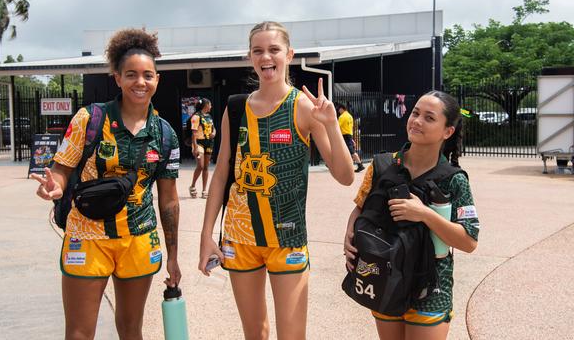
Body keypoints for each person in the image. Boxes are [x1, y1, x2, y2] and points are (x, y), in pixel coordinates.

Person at [198, 21, 354, 340]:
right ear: (250, 57)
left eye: (273, 50)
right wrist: (206, 235)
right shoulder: (235, 106)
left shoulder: (304, 107)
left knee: (292, 335)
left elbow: (345, 176)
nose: (266, 57)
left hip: (287, 237)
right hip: (239, 236)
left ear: (289, 54)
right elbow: (222, 173)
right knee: (255, 333)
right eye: (258, 51)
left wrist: (331, 125)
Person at [30, 29, 181, 340]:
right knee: (79, 334)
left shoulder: (165, 135)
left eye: (147, 75)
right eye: (131, 75)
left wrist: (173, 255)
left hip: (138, 240)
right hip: (87, 238)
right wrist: (54, 187)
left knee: (130, 330)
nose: (140, 82)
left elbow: (169, 200)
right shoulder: (89, 119)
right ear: (117, 78)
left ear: (157, 80)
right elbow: (61, 169)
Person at [343, 91, 479, 340]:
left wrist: (425, 214)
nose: (416, 121)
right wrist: (349, 236)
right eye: (415, 113)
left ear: (447, 131)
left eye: (429, 117)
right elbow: (361, 208)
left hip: (431, 288)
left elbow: (469, 241)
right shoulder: (383, 165)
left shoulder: (454, 180)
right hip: (386, 278)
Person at [189, 98, 215, 198]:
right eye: (210, 104)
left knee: (206, 167)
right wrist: (195, 147)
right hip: (198, 143)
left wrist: (214, 133)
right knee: (200, 165)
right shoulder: (196, 117)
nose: (211, 106)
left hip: (209, 143)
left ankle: (204, 190)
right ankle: (192, 186)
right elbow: (193, 133)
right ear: (206, 105)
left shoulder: (209, 116)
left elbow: (214, 128)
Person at [336, 103, 365, 172]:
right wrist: (351, 138)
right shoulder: (350, 116)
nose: (338, 111)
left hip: (344, 135)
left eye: (339, 110)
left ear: (341, 109)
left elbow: (337, 126)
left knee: (351, 151)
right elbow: (351, 127)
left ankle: (360, 165)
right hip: (349, 135)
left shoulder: (342, 117)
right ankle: (356, 165)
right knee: (346, 151)